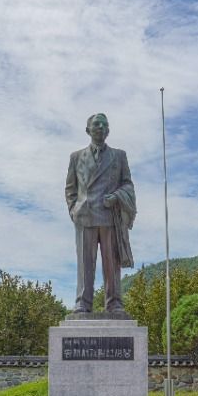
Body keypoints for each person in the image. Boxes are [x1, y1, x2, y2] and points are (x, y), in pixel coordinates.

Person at [65, 113, 136, 313]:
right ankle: (83, 303)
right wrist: (74, 210)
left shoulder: (119, 156)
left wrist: (117, 196)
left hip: (109, 215)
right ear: (88, 130)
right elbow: (70, 188)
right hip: (85, 215)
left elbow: (127, 184)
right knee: (84, 263)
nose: (101, 127)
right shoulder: (76, 157)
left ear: (108, 131)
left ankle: (114, 303)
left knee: (111, 264)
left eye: (105, 124)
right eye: (96, 124)